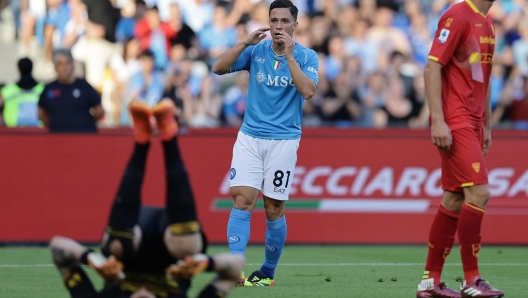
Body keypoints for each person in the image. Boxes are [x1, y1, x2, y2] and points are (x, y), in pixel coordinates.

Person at [49, 99, 245, 298]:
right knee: (186, 246)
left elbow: (57, 247)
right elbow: (236, 267)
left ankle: (141, 140)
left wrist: (90, 257)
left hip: (133, 235)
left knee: (118, 246)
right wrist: (207, 264)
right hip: (174, 241)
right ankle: (169, 136)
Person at [212, 0, 318, 287]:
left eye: (285, 21)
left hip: (283, 141)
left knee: (273, 208)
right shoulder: (256, 51)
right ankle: (235, 267)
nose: (278, 26)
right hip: (249, 137)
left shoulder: (307, 57)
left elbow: (308, 91)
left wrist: (290, 58)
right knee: (242, 200)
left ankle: (268, 271)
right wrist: (244, 42)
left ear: (295, 25)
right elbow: (218, 68)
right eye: (274, 20)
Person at [417, 0, 504, 297]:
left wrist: (487, 125)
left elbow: (485, 78)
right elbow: (431, 68)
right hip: (455, 119)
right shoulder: (457, 16)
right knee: (479, 192)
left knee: (454, 198)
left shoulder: (488, 21)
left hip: (474, 121)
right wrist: (438, 121)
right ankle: (471, 279)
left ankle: (430, 283)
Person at [38, 49, 104, 133]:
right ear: (55, 67)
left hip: (84, 137)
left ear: (72, 65)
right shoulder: (49, 88)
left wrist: (86, 123)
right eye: (60, 64)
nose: (64, 67)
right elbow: (41, 113)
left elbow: (99, 110)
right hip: (57, 138)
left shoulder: (84, 86)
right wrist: (54, 124)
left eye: (67, 63)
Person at [0, 58, 44, 127]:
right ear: (32, 68)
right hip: (40, 134)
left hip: (12, 134)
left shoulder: (6, 91)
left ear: (19, 69)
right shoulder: (43, 89)